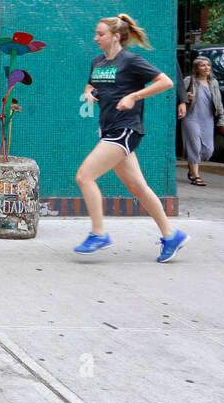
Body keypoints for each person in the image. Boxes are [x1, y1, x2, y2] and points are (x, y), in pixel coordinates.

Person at [74, 13, 188, 261]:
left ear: (115, 37)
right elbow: (90, 86)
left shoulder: (131, 61)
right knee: (137, 186)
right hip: (109, 129)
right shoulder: (98, 62)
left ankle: (99, 233)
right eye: (96, 33)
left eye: (100, 34)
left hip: (125, 129)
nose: (96, 38)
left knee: (84, 176)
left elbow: (166, 82)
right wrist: (89, 93)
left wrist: (134, 96)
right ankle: (172, 235)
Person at [177, 56, 224, 186]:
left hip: (208, 119)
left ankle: (192, 164)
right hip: (191, 117)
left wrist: (222, 121)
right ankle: (195, 176)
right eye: (202, 65)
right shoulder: (189, 80)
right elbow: (177, 94)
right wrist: (185, 97)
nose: (206, 68)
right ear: (196, 68)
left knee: (208, 150)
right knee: (194, 146)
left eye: (208, 65)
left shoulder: (213, 83)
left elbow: (219, 102)